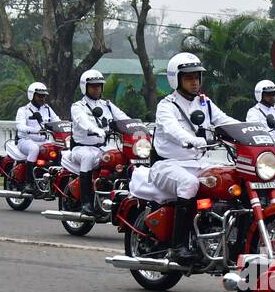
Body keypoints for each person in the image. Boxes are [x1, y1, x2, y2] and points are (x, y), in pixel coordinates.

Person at [148, 52, 240, 265]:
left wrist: (250, 132)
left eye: (197, 77)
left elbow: (225, 121)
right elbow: (172, 129)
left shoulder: (204, 103)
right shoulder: (166, 105)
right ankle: (178, 247)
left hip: (198, 163)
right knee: (189, 184)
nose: (195, 82)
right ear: (176, 79)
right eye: (189, 77)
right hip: (167, 165)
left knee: (229, 179)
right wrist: (192, 140)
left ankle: (227, 240)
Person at [67, 69, 128, 215]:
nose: (96, 89)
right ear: (85, 87)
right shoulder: (78, 106)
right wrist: (95, 129)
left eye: (99, 86)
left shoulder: (107, 105)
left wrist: (140, 129)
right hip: (82, 148)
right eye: (93, 86)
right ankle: (85, 203)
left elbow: (123, 117)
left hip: (102, 147)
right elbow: (82, 121)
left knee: (122, 158)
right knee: (87, 157)